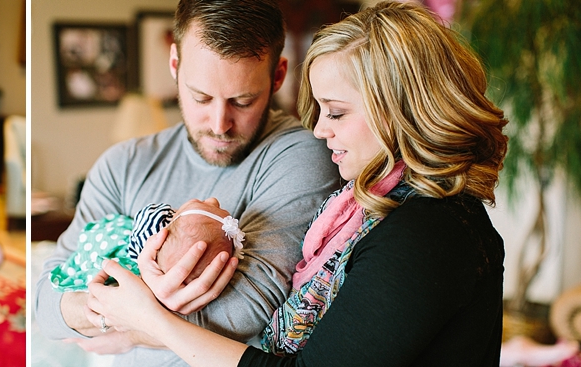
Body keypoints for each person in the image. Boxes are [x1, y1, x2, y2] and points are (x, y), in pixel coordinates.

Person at [85, 1, 508, 366]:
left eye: (337, 112)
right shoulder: (367, 211)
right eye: (320, 111)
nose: (321, 130)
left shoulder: (429, 232)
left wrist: (150, 320)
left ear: (402, 112)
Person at [35, 0, 340, 364]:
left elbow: (249, 309)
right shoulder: (123, 164)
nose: (219, 123)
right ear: (175, 65)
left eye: (243, 101)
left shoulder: (299, 156)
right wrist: (106, 312)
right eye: (201, 97)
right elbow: (47, 302)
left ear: (277, 76)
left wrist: (130, 330)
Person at [50, 198, 242, 292]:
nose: (212, 200)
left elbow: (148, 213)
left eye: (206, 204)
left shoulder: (154, 225)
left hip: (103, 241)